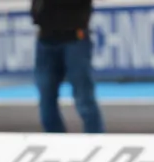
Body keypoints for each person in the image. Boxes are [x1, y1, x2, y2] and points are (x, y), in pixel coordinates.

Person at [31, 0, 105, 133]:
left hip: (75, 35)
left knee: (84, 97)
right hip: (46, 37)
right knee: (46, 99)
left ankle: (96, 139)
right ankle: (55, 141)